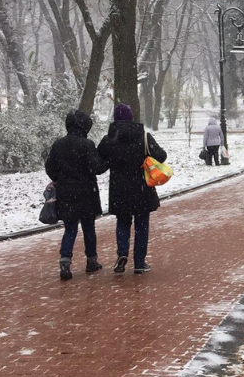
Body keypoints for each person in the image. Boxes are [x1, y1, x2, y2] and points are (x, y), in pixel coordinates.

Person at [98, 103, 167, 274]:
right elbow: (161, 156)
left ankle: (122, 254)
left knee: (122, 223)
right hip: (141, 188)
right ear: (131, 117)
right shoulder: (143, 137)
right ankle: (139, 262)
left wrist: (112, 160)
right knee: (141, 225)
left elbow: (98, 162)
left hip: (119, 189)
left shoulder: (109, 139)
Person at [45, 110, 108, 281]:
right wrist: (108, 160)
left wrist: (59, 179)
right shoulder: (87, 145)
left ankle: (65, 261)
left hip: (66, 193)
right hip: (87, 193)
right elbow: (97, 168)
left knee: (70, 229)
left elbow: (50, 167)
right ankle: (91, 260)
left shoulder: (58, 145)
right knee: (89, 228)